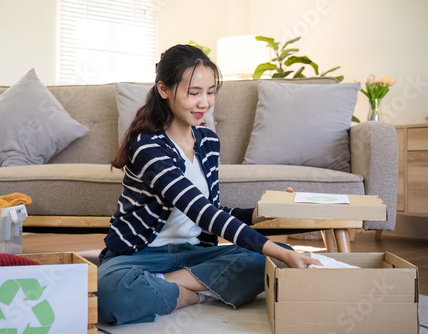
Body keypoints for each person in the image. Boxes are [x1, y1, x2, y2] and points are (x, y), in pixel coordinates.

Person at [97, 44, 321, 325]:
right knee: (109, 293)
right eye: (194, 93)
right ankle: (198, 293)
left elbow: (214, 209)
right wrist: (273, 249)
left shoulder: (208, 142)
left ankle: (164, 285)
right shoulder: (147, 145)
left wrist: (263, 211)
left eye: (211, 91)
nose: (205, 102)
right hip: (142, 255)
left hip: (194, 254)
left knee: (281, 256)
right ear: (164, 90)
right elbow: (198, 209)